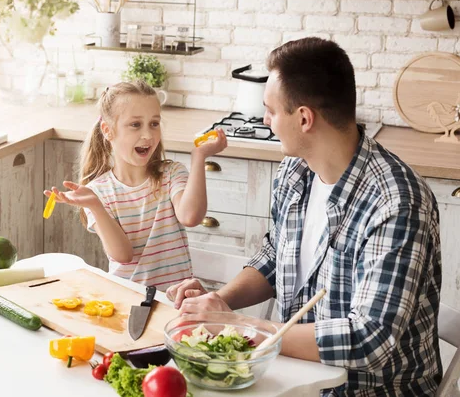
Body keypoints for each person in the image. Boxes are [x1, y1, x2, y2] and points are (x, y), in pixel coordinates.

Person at [166, 37, 443, 396]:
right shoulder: (295, 172)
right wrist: (220, 304)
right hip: (299, 377)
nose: (266, 121)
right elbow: (272, 258)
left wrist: (241, 326)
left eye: (271, 110)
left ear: (304, 118)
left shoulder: (397, 203)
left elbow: (370, 339)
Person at [44, 80, 227, 291]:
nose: (148, 135)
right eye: (135, 125)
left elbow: (190, 217)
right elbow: (123, 255)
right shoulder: (97, 193)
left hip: (176, 301)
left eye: (154, 123)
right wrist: (95, 206)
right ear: (108, 130)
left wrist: (199, 156)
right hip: (129, 300)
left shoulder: (171, 174)